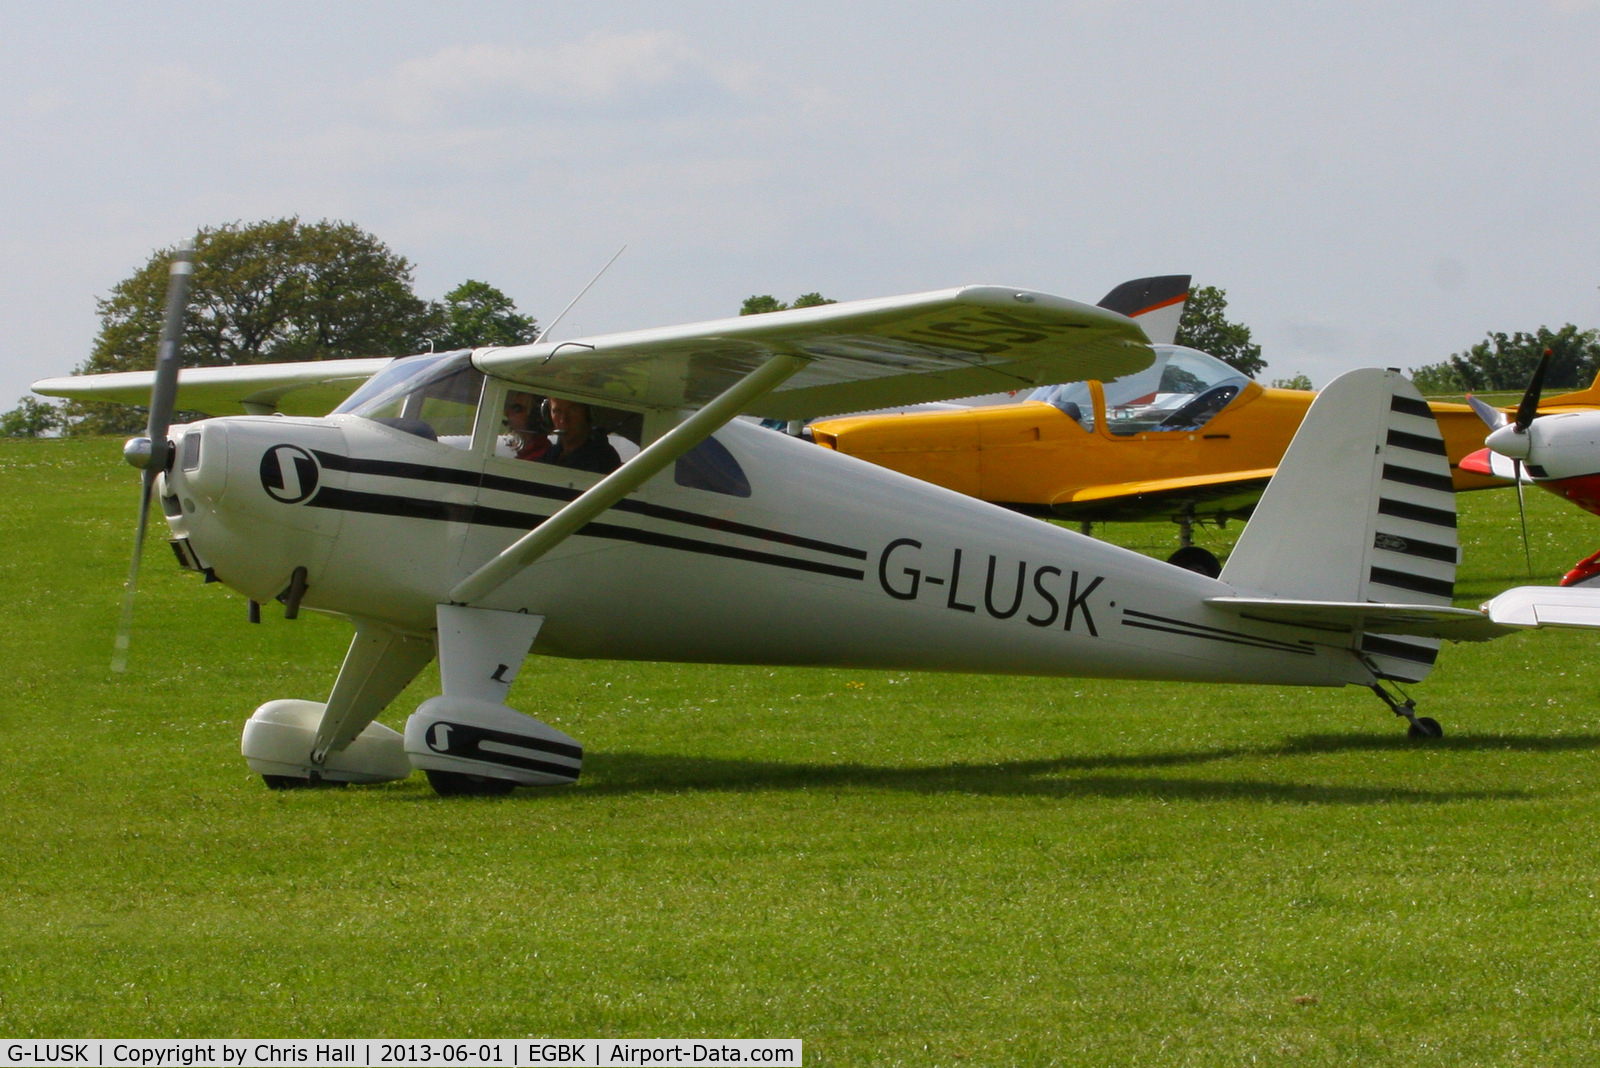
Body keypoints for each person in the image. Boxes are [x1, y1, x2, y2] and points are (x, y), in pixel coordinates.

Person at [546, 397, 622, 474]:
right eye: (557, 411)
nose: (564, 420)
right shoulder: (552, 454)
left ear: (589, 414)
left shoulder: (603, 457)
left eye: (573, 410)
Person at [503, 390, 551, 462]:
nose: (507, 413)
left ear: (534, 416)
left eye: (517, 408)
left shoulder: (543, 456)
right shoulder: (523, 451)